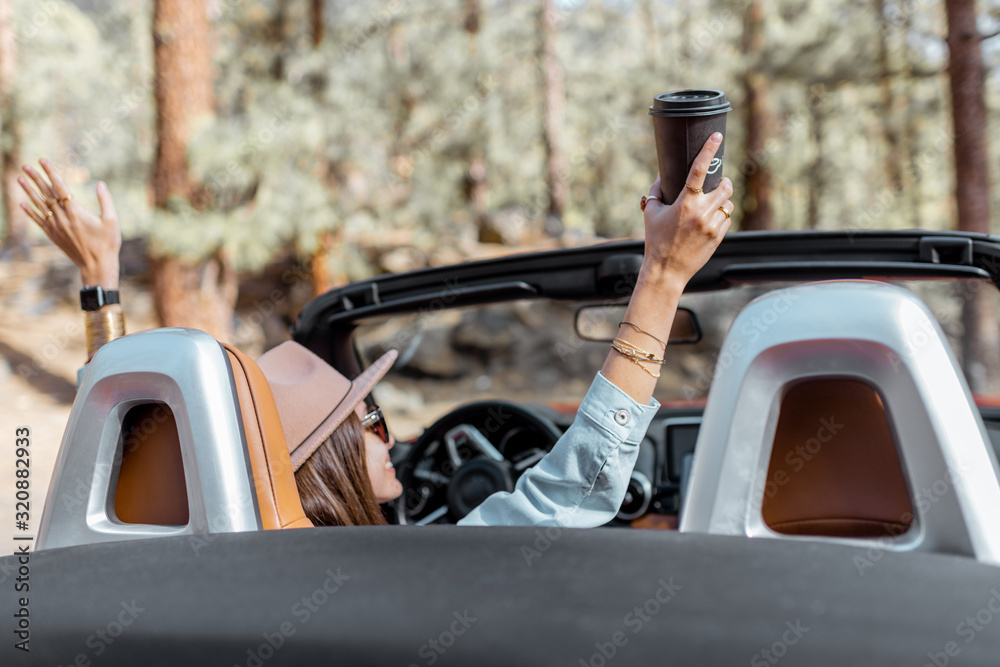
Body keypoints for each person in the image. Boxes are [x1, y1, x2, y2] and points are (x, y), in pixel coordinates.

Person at [19, 134, 733, 527]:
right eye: (365, 416)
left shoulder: (219, 559)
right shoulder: (433, 572)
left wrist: (101, 283)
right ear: (320, 461)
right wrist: (662, 276)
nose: (390, 433)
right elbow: (581, 482)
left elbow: (118, 473)